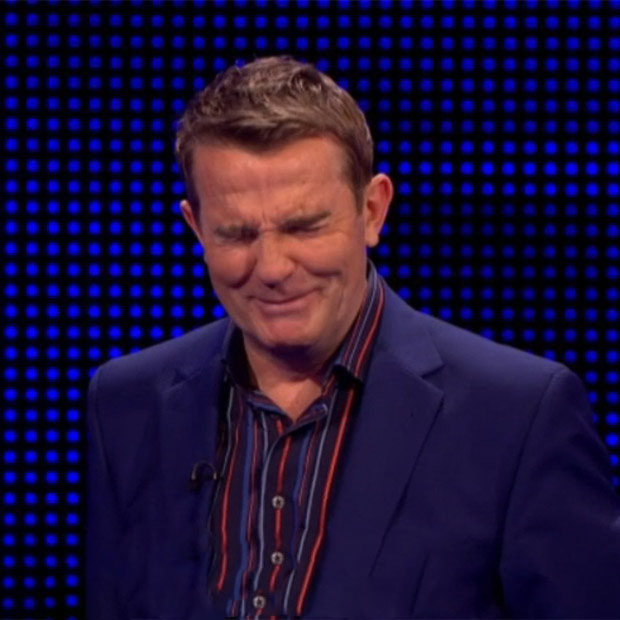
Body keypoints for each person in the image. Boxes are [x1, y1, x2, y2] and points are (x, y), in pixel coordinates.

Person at [86, 56, 620, 619]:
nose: (272, 268)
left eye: (304, 227)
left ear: (372, 210)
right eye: (236, 234)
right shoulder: (126, 404)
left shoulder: (518, 416)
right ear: (196, 227)